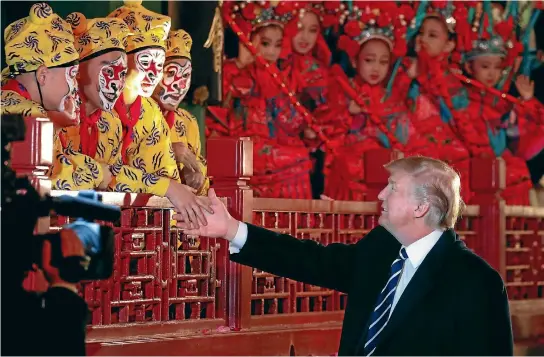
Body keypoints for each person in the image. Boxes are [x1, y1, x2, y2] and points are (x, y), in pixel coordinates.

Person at [174, 155, 514, 356]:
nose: (381, 194)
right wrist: (231, 229)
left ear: (421, 206)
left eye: (393, 188)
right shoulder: (381, 248)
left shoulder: (476, 282)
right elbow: (313, 261)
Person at [152, 29, 210, 195]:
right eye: (171, 73)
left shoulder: (187, 121)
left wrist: (195, 177)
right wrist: (169, 153)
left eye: (185, 75)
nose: (180, 84)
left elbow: (202, 170)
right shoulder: (135, 115)